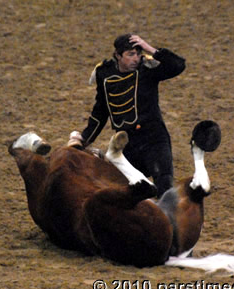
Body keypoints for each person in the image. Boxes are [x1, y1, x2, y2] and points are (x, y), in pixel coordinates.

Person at [68, 33, 186, 197]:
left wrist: (150, 48)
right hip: (127, 143)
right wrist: (86, 138)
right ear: (117, 55)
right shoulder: (104, 74)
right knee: (122, 192)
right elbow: (101, 110)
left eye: (138, 54)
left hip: (154, 139)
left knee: (164, 187)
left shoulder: (147, 69)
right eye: (130, 54)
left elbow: (178, 65)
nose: (136, 59)